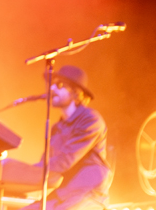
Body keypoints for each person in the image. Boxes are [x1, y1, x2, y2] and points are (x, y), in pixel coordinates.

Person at [26, 65, 111, 210]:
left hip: (88, 191)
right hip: (65, 192)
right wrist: (21, 174)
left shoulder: (91, 120)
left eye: (59, 85)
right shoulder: (56, 128)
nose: (52, 89)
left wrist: (25, 172)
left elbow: (65, 161)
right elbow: (46, 164)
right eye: (52, 85)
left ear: (75, 92)